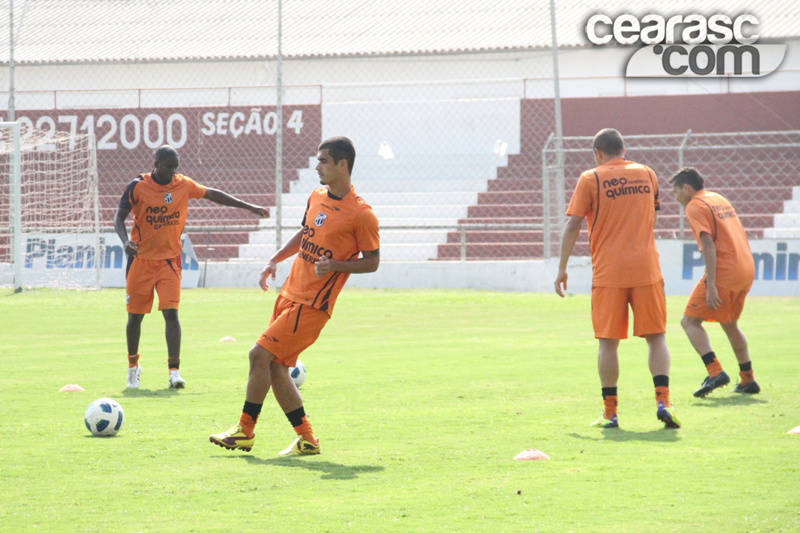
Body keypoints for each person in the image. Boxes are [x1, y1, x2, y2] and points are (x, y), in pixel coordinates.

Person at [210, 136, 380, 455]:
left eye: (324, 161)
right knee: (275, 367)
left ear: (343, 165)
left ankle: (245, 431)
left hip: (313, 305)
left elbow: (373, 261)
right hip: (290, 294)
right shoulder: (316, 196)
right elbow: (306, 234)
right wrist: (276, 259)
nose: (317, 166)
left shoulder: (362, 214)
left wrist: (336, 266)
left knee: (258, 355)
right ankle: (308, 440)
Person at [554, 128, 680, 429]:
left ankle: (610, 413)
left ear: (598, 153)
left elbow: (573, 225)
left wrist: (562, 268)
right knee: (656, 337)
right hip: (646, 267)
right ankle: (663, 401)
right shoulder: (648, 174)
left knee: (608, 343)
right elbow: (653, 214)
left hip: (609, 271)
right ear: (624, 148)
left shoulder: (591, 178)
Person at [114, 145, 268, 390]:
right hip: (140, 261)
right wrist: (125, 242)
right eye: (169, 167)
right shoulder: (137, 187)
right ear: (156, 164)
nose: (173, 171)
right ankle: (133, 368)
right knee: (135, 317)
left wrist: (247, 206)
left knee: (171, 313)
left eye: (176, 167)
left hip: (169, 261)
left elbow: (213, 194)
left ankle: (174, 371)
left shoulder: (182, 184)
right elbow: (118, 218)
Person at [669, 167, 758, 397]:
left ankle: (714, 371)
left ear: (687, 188)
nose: (675, 196)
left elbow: (708, 245)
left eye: (676, 190)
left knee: (689, 321)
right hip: (745, 267)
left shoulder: (695, 206)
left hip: (725, 271)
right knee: (729, 323)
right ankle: (748, 379)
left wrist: (711, 285)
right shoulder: (718, 198)